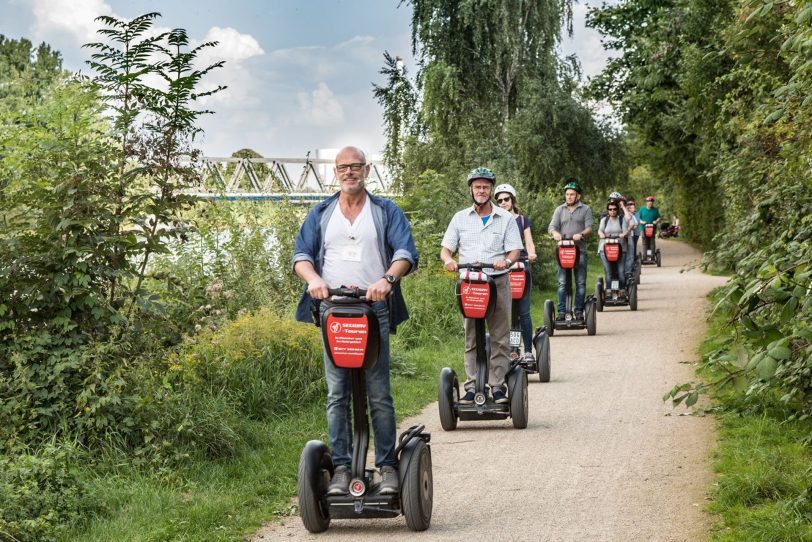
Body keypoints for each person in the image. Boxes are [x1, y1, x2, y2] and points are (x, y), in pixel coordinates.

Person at [292, 146, 419, 497]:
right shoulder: (321, 213)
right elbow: (301, 255)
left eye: (356, 166)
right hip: (333, 312)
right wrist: (313, 280)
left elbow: (405, 253)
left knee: (378, 392)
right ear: (336, 172)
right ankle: (343, 467)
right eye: (343, 167)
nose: (350, 172)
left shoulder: (385, 210)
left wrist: (387, 281)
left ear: (367, 169)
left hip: (372, 309)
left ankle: (388, 467)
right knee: (337, 394)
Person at [441, 167, 523, 405]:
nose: (481, 190)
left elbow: (515, 250)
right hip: (470, 284)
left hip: (497, 282)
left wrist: (506, 261)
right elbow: (446, 248)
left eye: (485, 187)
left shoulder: (506, 218)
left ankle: (497, 386)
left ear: (491, 190)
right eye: (477, 186)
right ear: (471, 190)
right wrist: (448, 260)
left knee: (500, 336)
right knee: (471, 337)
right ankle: (471, 386)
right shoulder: (460, 218)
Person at [494, 183, 537, 364]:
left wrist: (532, 253)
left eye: (506, 199)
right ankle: (509, 351)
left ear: (512, 200)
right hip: (502, 271)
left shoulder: (521, 220)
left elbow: (528, 241)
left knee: (523, 312)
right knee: (505, 313)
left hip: (520, 267)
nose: (503, 203)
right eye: (500, 200)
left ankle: (527, 351)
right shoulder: (496, 221)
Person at [548, 179, 593, 321]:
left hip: (579, 251)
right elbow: (552, 227)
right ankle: (562, 312)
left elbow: (589, 228)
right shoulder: (559, 210)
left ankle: (578, 311)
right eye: (567, 194)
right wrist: (555, 233)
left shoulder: (585, 209)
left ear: (578, 196)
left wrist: (581, 234)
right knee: (562, 282)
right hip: (563, 252)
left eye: (572, 194)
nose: (569, 197)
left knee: (580, 282)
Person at [597, 200, 629, 288]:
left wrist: (623, 234)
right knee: (608, 271)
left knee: (621, 271)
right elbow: (600, 230)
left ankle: (622, 290)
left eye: (614, 209)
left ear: (617, 210)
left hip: (621, 248)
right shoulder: (604, 220)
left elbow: (625, 231)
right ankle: (609, 291)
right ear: (607, 210)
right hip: (605, 248)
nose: (612, 211)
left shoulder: (621, 219)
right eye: (610, 209)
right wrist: (601, 234)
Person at [624, 198, 641, 277]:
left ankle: (632, 263)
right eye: (630, 205)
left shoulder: (635, 214)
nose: (632, 207)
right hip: (627, 235)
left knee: (632, 250)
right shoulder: (624, 213)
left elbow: (636, 223)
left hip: (634, 234)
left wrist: (631, 227)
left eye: (633, 206)